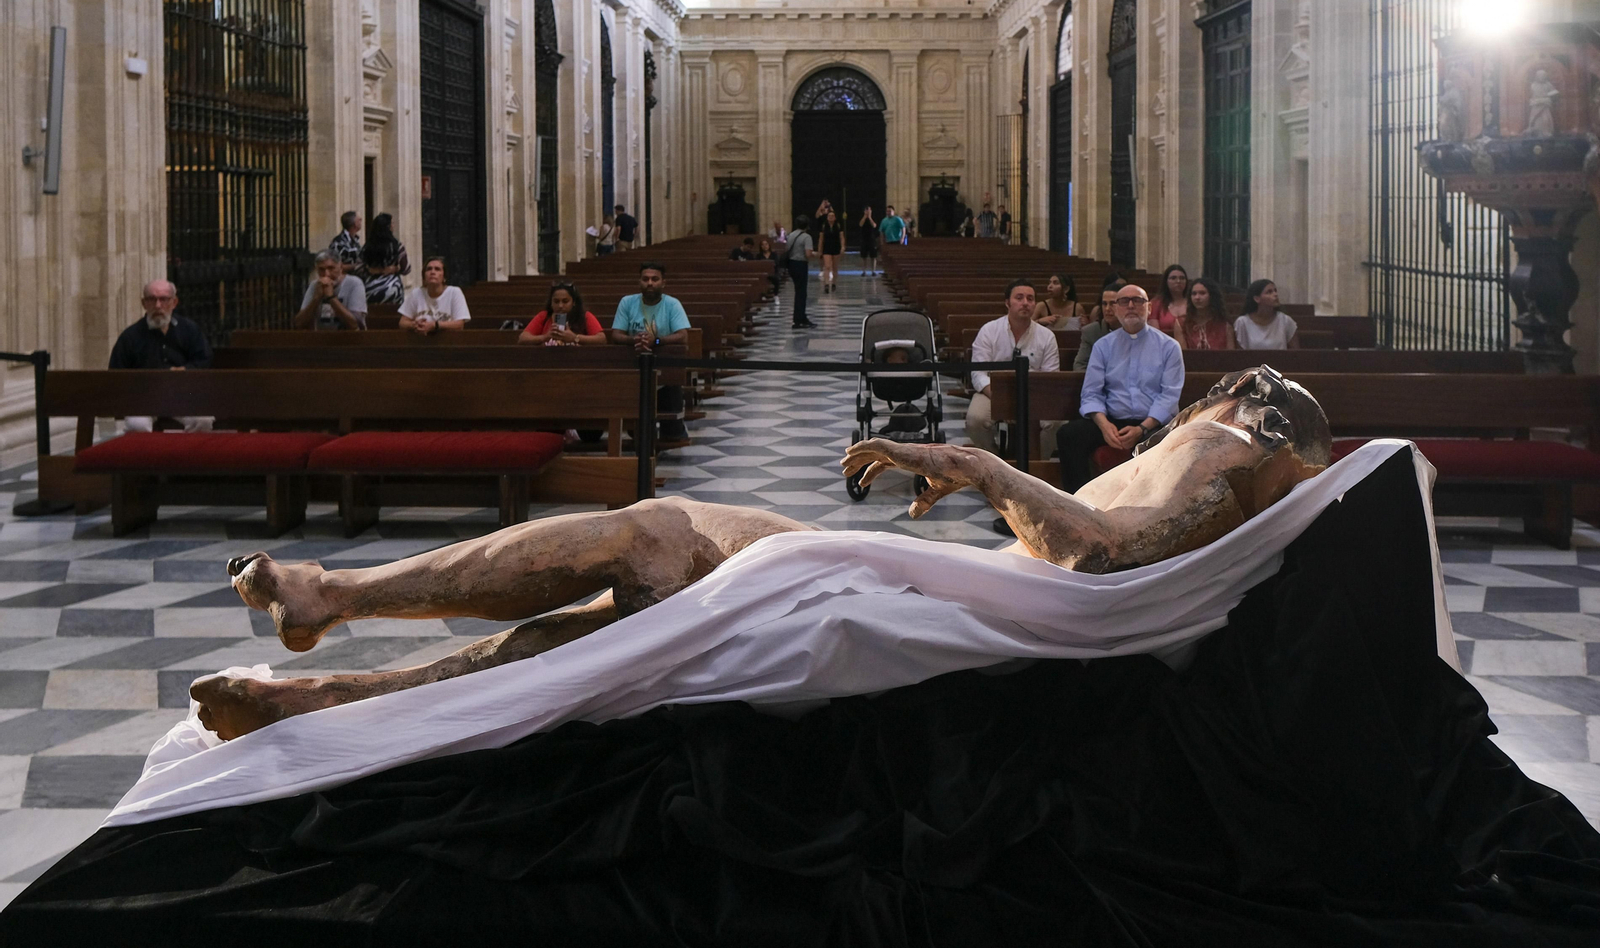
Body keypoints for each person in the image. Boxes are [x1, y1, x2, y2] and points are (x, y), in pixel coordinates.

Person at [193, 366, 1333, 740]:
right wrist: (990, 490)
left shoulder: (1229, 441)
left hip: (1000, 614)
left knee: (654, 551)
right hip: (993, 592)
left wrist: (978, 465)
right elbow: (1094, 544)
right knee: (673, 534)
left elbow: (1096, 554)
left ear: (1246, 402)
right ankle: (331, 632)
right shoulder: (1228, 453)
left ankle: (335, 631)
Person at [1055, 285, 1184, 494]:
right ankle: (1078, 502)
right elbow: (1091, 393)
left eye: (1138, 301)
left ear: (1149, 308)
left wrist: (1141, 428)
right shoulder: (1103, 347)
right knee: (1068, 435)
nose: (1131, 306)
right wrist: (1105, 426)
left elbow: (1169, 395)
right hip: (1112, 421)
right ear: (1115, 309)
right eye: (1124, 301)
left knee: (1172, 440)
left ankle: (1156, 505)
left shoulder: (1168, 347)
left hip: (1152, 423)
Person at [965, 278, 1061, 463]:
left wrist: (1028, 399)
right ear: (1007, 302)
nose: (1025, 303)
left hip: (1035, 394)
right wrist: (1000, 398)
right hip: (992, 392)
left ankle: (1035, 464)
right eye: (1019, 298)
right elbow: (978, 373)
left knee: (1054, 422)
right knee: (975, 419)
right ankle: (995, 464)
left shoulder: (1046, 336)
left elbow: (1050, 376)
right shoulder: (989, 331)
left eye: (1030, 299)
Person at [109, 279, 214, 434]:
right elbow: (116, 373)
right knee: (137, 426)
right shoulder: (130, 336)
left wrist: (185, 370)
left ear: (174, 302)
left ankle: (189, 457)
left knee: (203, 420)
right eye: (152, 299)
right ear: (144, 303)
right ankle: (149, 458)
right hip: (143, 399)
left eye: (164, 299)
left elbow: (204, 360)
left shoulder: (189, 329)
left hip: (184, 394)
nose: (158, 306)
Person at [610, 262, 691, 440]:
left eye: (655, 279)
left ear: (663, 283)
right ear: (639, 282)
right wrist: (635, 340)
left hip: (665, 368)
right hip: (632, 368)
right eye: (645, 279)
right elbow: (616, 334)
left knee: (673, 432)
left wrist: (656, 340)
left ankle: (673, 430)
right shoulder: (627, 302)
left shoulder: (672, 304)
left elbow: (683, 335)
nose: (650, 283)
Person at [294, 251, 368, 330]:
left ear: (340, 267)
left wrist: (331, 297)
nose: (327, 274)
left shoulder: (354, 283)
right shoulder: (315, 285)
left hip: (349, 338)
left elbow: (355, 324)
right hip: (321, 338)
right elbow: (299, 323)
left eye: (331, 268)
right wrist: (316, 299)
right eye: (321, 269)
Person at [397, 257, 470, 333]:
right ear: (424, 277)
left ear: (444, 277)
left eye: (437, 269)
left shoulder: (454, 292)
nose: (432, 272)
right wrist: (414, 324)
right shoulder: (416, 293)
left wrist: (435, 325)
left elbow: (459, 325)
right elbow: (402, 323)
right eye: (429, 269)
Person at [520, 282, 606, 346]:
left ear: (574, 302)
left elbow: (601, 338)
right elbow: (523, 338)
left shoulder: (584, 316)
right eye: (556, 301)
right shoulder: (544, 316)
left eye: (565, 301)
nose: (560, 306)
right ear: (551, 303)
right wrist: (545, 337)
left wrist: (575, 338)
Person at [359, 213, 410, 306]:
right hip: (392, 288)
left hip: (369, 288)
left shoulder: (367, 247)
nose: (393, 226)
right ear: (388, 227)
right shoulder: (396, 246)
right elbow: (406, 269)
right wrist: (395, 269)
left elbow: (359, 267)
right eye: (392, 224)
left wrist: (374, 270)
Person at [1235, 279, 1301, 350]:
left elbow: (1296, 353)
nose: (1275, 294)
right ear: (1257, 298)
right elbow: (1240, 355)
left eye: (1275, 291)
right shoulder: (1242, 322)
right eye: (1269, 292)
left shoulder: (1285, 321)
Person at [1175, 277, 1234, 350]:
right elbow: (1183, 355)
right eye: (1194, 294)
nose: (1197, 297)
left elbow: (1230, 356)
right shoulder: (1181, 323)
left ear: (1212, 296)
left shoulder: (1225, 325)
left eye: (1202, 293)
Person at [1074, 286, 1124, 371]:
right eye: (1104, 304)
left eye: (1112, 303)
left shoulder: (1134, 329)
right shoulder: (1091, 331)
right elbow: (1080, 365)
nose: (1107, 309)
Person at [782, 215, 819, 328]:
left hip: (791, 264)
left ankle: (799, 317)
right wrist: (815, 254)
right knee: (801, 293)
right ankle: (799, 319)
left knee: (798, 292)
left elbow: (787, 249)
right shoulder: (806, 237)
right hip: (800, 264)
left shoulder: (791, 235)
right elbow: (808, 254)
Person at [1149, 264, 1189, 337]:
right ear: (1166, 281)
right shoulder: (1156, 303)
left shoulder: (1192, 302)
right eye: (1173, 278)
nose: (1178, 281)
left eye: (1182, 278)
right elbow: (1155, 333)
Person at [328, 211, 364, 278]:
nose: (361, 220)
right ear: (354, 223)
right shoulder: (338, 242)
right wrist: (358, 266)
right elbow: (334, 264)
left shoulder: (355, 240)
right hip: (343, 280)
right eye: (359, 219)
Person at [819, 208, 843, 293]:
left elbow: (841, 237)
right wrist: (820, 250)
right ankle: (826, 284)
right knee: (827, 266)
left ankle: (834, 283)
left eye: (832, 216)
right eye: (829, 216)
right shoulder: (824, 226)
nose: (831, 217)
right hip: (827, 248)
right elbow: (821, 239)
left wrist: (843, 247)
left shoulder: (838, 225)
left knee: (835, 267)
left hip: (836, 247)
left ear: (835, 217)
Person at [858, 206, 879, 276]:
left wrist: (869, 217)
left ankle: (873, 271)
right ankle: (864, 271)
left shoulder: (873, 217)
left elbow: (874, 225)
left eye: (869, 210)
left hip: (872, 239)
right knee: (864, 256)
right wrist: (865, 216)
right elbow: (860, 224)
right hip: (864, 239)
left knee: (873, 256)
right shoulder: (862, 218)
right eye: (866, 210)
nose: (868, 211)